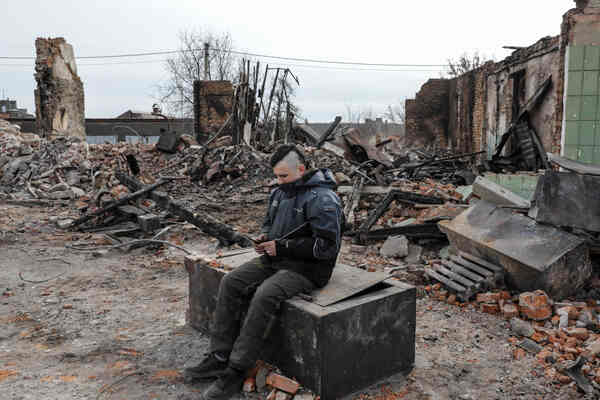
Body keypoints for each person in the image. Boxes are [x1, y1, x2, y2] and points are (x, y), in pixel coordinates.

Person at [185, 144, 343, 400]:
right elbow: (270, 223)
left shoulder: (324, 199)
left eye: (283, 176)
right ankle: (219, 356)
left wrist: (282, 246)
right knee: (232, 281)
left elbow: (326, 248)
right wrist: (265, 238)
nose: (278, 181)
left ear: (301, 169)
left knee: (265, 294)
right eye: (276, 176)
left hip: (308, 269)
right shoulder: (280, 192)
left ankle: (236, 370)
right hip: (275, 258)